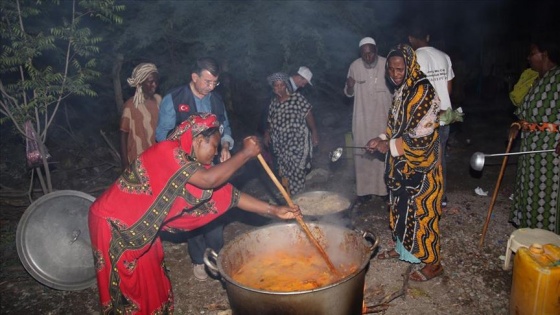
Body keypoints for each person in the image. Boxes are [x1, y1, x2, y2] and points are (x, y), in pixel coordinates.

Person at [89, 113, 301, 314]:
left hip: (144, 230)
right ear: (199, 139)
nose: (216, 154)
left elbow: (231, 196)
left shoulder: (192, 165)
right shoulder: (166, 150)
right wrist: (245, 154)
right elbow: (209, 181)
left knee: (152, 281)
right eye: (215, 146)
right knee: (129, 292)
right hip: (113, 224)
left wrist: (274, 210)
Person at [366, 44, 444, 281]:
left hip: (421, 168)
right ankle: (403, 250)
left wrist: (388, 146)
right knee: (401, 210)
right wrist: (380, 138)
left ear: (410, 66)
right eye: (390, 69)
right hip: (401, 165)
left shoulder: (423, 92)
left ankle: (434, 263)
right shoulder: (402, 90)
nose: (395, 74)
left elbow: (422, 137)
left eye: (399, 69)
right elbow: (394, 125)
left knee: (423, 215)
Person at [155, 57, 234, 281]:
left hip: (214, 165)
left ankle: (217, 255)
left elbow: (225, 127)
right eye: (207, 82)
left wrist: (226, 145)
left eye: (215, 83)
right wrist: (183, 151)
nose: (211, 87)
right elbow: (161, 135)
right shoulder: (175, 99)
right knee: (193, 211)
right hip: (186, 167)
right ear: (194, 77)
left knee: (216, 210)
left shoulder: (216, 101)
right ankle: (199, 260)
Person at [509, 37, 559, 234]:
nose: (528, 58)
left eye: (532, 53)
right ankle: (531, 236)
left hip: (551, 151)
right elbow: (523, 112)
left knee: (547, 195)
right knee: (530, 193)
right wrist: (516, 124)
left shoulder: (558, 77)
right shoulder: (535, 79)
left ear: (544, 54)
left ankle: (550, 239)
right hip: (531, 149)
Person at [408, 25, 455, 207]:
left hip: (423, 119)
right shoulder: (444, 56)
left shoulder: (413, 59)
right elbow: (448, 90)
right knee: (440, 156)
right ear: (427, 36)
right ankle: (440, 197)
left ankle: (423, 196)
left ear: (411, 38)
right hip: (444, 115)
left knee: (421, 156)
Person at [344, 37, 392, 203]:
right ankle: (364, 191)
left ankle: (385, 190)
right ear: (360, 54)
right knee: (363, 153)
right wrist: (350, 86)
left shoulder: (388, 64)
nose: (368, 57)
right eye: (365, 54)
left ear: (376, 50)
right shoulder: (354, 66)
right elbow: (348, 94)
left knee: (384, 153)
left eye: (371, 53)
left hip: (383, 116)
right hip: (362, 118)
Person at [263, 72, 319, 195]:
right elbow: (270, 121)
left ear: (286, 86)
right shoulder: (273, 103)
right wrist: (267, 133)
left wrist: (314, 132)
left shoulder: (297, 98)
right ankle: (292, 201)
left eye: (281, 85)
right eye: (276, 86)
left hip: (297, 144)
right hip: (281, 146)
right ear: (273, 88)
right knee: (286, 174)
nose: (279, 88)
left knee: (297, 172)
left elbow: (309, 115)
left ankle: (299, 200)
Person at [120, 63, 161, 168]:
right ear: (140, 82)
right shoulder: (131, 105)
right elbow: (123, 135)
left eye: (156, 81)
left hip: (158, 155)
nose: (154, 85)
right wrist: (124, 163)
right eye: (150, 82)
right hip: (138, 158)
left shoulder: (159, 100)